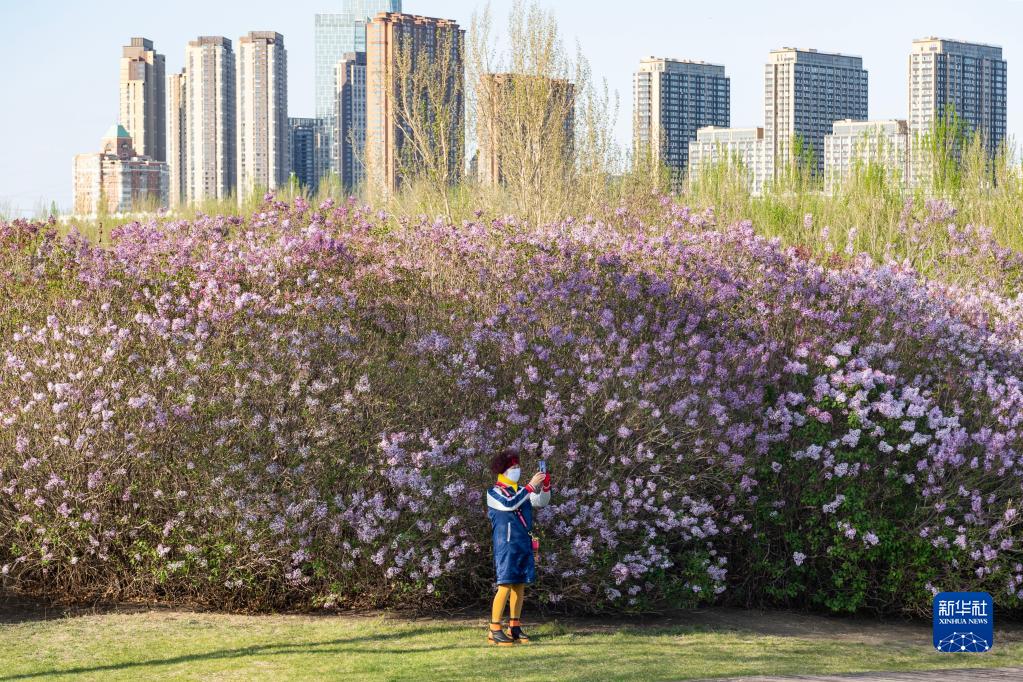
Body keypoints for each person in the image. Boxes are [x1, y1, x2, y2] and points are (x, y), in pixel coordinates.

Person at [485, 449, 551, 646]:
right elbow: (509, 504)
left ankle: (514, 625)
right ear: (503, 471)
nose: (517, 470)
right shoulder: (494, 492)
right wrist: (531, 487)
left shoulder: (521, 490)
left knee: (519, 584)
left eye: (518, 466)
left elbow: (541, 501)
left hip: (523, 542)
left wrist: (545, 486)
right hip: (505, 544)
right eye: (513, 467)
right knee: (504, 584)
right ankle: (494, 628)